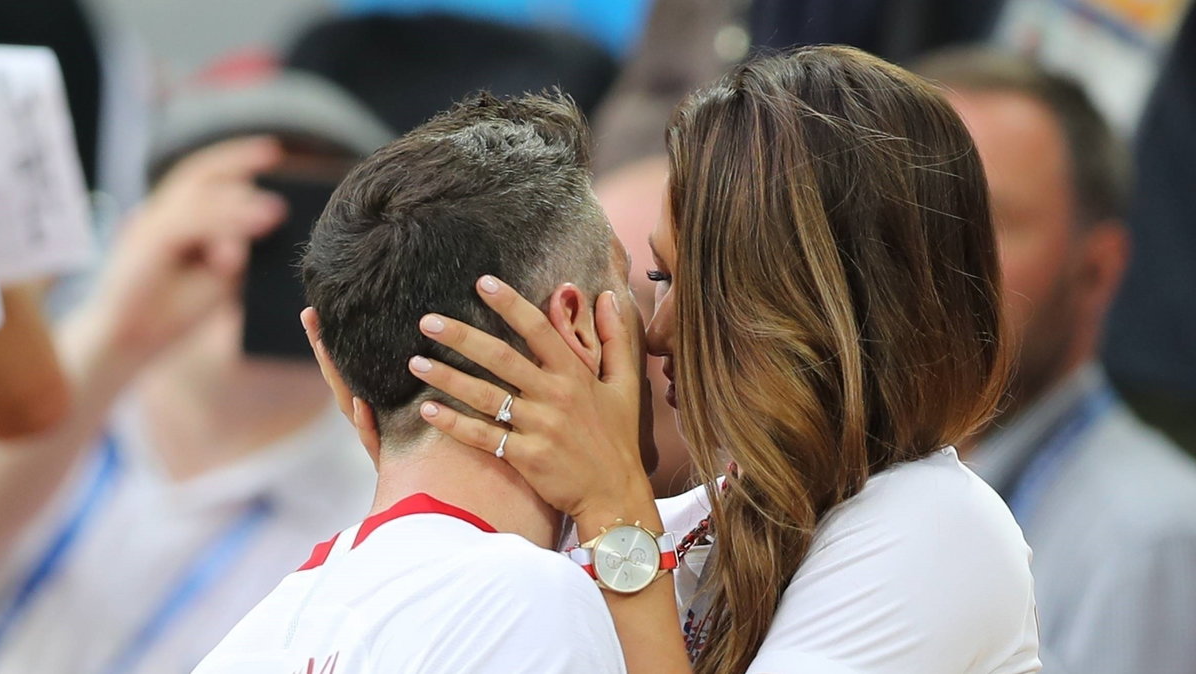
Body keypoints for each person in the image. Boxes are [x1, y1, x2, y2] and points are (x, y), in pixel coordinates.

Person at [409, 46, 1041, 673]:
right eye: (658, 275)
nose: (656, 335)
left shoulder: (936, 527)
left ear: (813, 304)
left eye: (695, 287)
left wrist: (613, 509)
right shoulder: (702, 524)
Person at [193, 92, 633, 673]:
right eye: (634, 286)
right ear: (574, 323)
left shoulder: (250, 642)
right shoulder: (521, 600)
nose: (652, 334)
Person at [0, 69, 388, 673]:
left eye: (321, 227)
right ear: (143, 228)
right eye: (229, 210)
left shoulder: (381, 507)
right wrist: (117, 332)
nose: (273, 255)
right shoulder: (51, 398)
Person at [914, 47, 1196, 674]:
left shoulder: (1145, 537)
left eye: (988, 221)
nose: (931, 261)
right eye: (908, 218)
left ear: (1096, 269)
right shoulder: (845, 478)